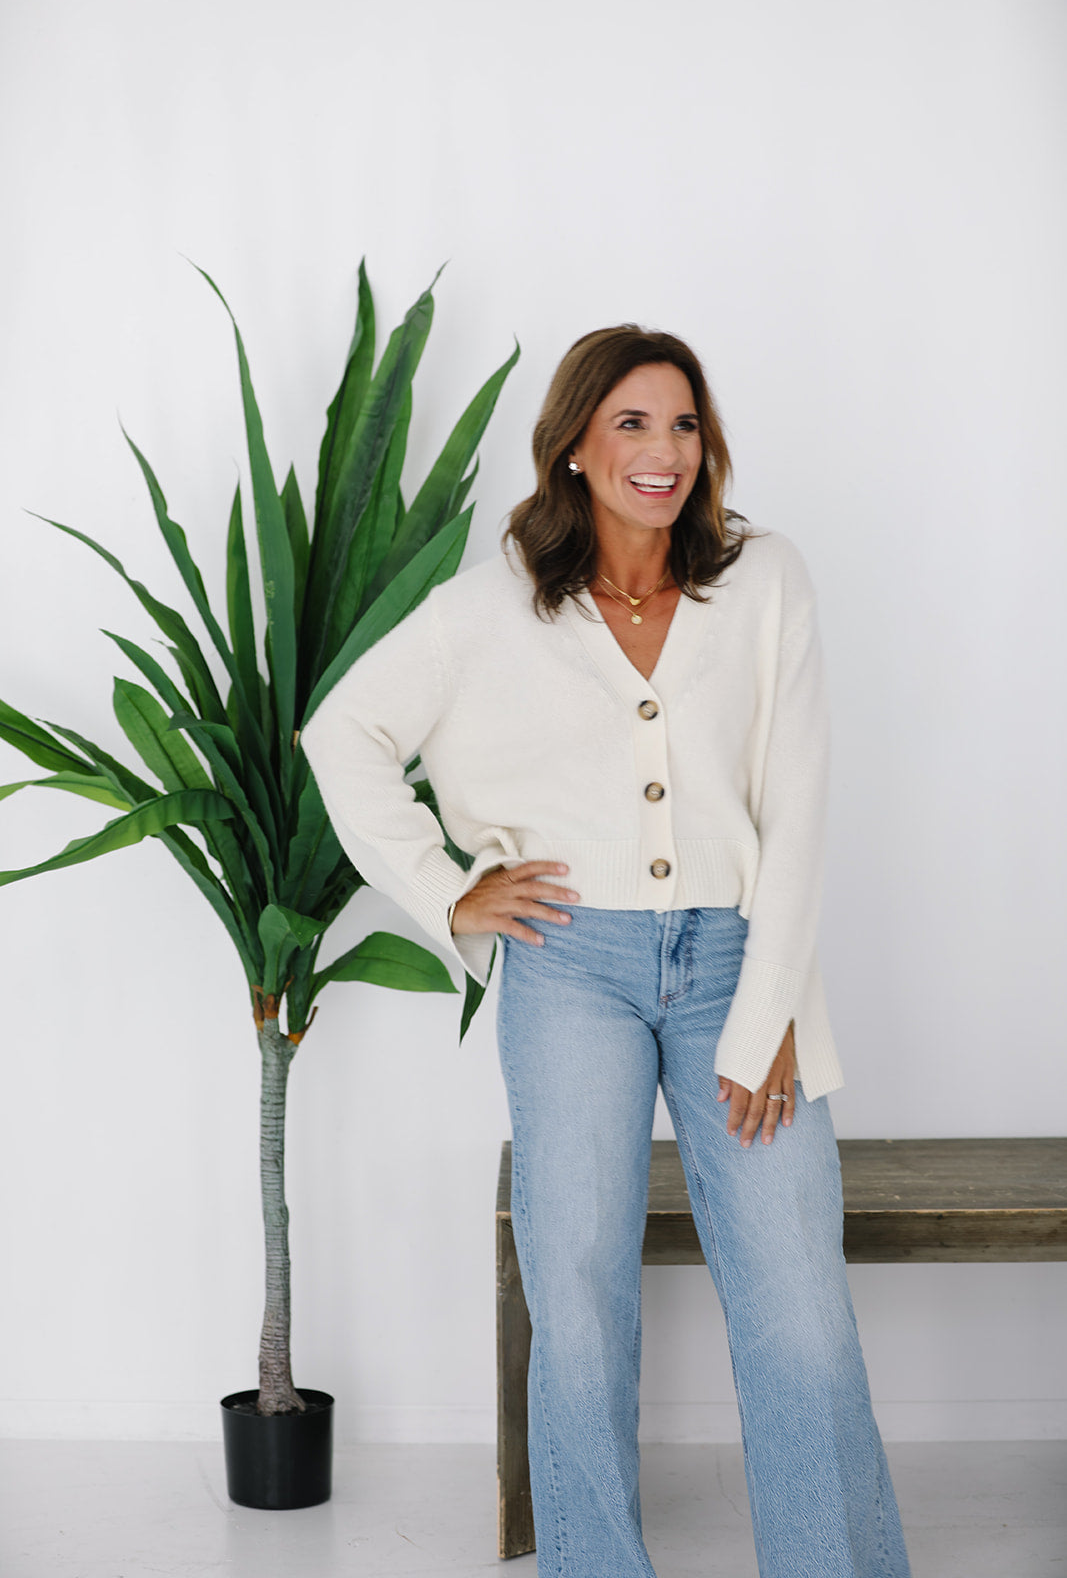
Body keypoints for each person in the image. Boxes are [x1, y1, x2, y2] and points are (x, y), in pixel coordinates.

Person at [301, 325, 911, 1578]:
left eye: (682, 424)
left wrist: (768, 1008)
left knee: (795, 1297)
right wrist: (448, 889)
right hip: (568, 966)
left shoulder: (764, 580)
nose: (662, 451)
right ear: (573, 445)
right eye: (631, 423)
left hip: (739, 959)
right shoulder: (489, 606)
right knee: (575, 1301)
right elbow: (342, 731)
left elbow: (796, 810)